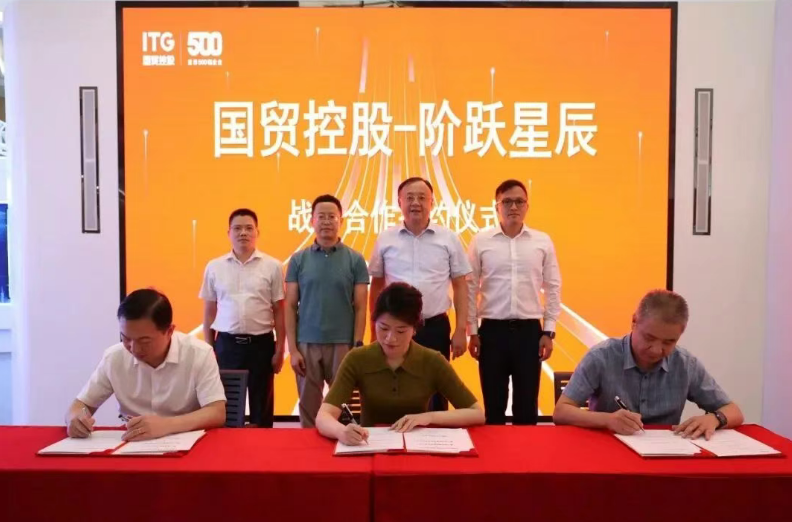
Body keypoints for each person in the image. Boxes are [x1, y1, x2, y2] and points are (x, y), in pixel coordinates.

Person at [553, 289, 744, 440]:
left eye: (669, 342)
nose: (656, 350)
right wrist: (608, 420)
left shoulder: (685, 364)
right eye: (649, 338)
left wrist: (714, 419)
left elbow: (733, 411)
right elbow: (561, 412)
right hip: (610, 450)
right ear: (634, 322)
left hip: (665, 456)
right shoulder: (601, 357)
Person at [316, 283, 484, 445]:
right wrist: (341, 431)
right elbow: (324, 416)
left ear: (415, 328)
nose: (391, 338)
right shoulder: (357, 358)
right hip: (369, 446)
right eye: (383, 328)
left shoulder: (432, 361)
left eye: (401, 331)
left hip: (417, 447)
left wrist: (428, 417)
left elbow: (476, 413)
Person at [65, 289, 226, 440]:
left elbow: (216, 412)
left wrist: (167, 425)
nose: (134, 349)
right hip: (132, 442)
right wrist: (75, 418)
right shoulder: (114, 357)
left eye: (144, 341)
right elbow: (81, 404)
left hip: (185, 440)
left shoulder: (199, 354)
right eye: (126, 338)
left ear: (169, 331)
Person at [368, 177, 472, 412]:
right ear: (399, 202)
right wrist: (374, 330)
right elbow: (377, 286)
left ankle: (436, 435)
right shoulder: (386, 239)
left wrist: (460, 330)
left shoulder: (448, 238)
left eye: (422, 197)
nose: (416, 203)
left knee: (437, 392)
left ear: (432, 203)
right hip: (396, 329)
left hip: (435, 326)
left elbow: (460, 286)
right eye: (410, 197)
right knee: (396, 388)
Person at [467, 179, 561, 425]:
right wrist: (472, 332)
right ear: (496, 207)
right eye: (507, 201)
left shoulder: (542, 241)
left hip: (529, 333)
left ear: (527, 206)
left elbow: (553, 287)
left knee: (527, 407)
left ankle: (526, 451)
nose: (513, 207)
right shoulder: (481, 241)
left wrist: (548, 331)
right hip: (492, 332)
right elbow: (470, 288)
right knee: (493, 407)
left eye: (519, 201)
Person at [285, 194, 370, 428]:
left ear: (341, 220)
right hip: (307, 344)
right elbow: (290, 306)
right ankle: (309, 450)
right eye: (320, 216)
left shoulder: (355, 259)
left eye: (331, 216)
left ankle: (340, 447)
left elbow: (361, 306)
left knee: (342, 409)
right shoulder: (298, 260)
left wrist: (357, 345)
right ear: (311, 221)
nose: (326, 221)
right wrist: (293, 349)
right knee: (309, 409)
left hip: (343, 344)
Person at [200, 208, 285, 428]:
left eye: (249, 228)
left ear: (257, 232)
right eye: (237, 228)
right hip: (227, 345)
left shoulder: (273, 266)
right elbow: (209, 311)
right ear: (228, 233)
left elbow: (279, 310)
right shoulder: (214, 267)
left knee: (262, 408)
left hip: (261, 345)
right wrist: (209, 348)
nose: (243, 233)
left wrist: (279, 350)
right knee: (226, 408)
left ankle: (262, 448)